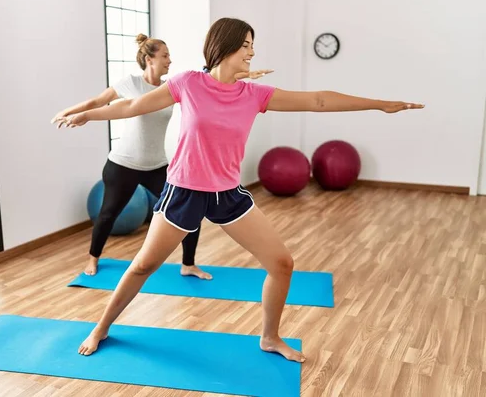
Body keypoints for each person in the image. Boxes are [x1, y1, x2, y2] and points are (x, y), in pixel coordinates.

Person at [59, 18, 423, 363]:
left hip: (228, 193)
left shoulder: (253, 94)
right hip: (184, 190)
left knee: (282, 264)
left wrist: (378, 104)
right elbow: (134, 105)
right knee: (142, 266)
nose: (251, 52)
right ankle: (102, 328)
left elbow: (318, 100)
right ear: (225, 46)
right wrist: (89, 113)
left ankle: (270, 336)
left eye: (253, 46)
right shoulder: (188, 83)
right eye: (246, 45)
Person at [52, 34, 271, 278]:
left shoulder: (172, 86)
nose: (170, 60)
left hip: (156, 164)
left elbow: (210, 78)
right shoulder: (131, 83)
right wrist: (70, 112)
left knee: (191, 213)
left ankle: (188, 264)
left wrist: (244, 75)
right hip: (123, 163)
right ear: (149, 59)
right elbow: (99, 101)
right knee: (108, 213)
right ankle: (93, 259)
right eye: (165, 55)